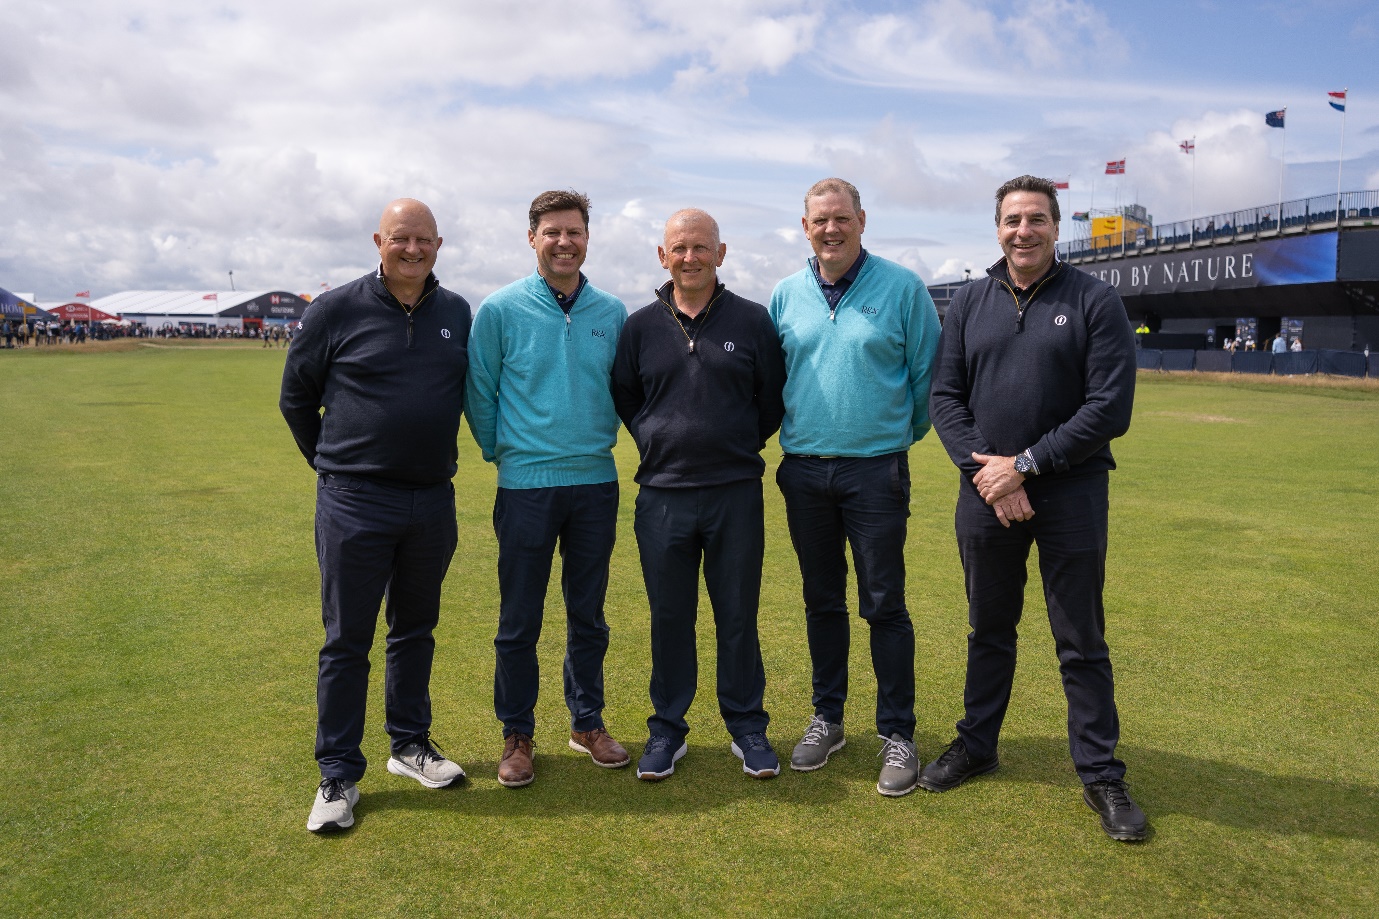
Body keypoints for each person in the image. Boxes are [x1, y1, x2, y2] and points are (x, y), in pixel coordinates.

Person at [926, 175, 1148, 842]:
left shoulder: (1093, 299)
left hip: (1069, 491)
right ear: (996, 228)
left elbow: (1109, 409)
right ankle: (976, 743)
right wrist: (989, 471)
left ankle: (1100, 771)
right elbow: (944, 397)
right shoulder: (968, 300)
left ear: (1056, 227)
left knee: (1079, 638)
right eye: (1011, 219)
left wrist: (1024, 464)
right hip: (983, 491)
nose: (1023, 230)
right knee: (986, 628)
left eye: (1036, 219)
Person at [280, 198, 473, 833]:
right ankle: (336, 773)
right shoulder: (335, 308)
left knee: (415, 628)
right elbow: (296, 398)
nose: (412, 249)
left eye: (423, 240)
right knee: (347, 639)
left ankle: (409, 745)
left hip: (430, 498)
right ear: (378, 241)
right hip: (354, 499)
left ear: (438, 245)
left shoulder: (455, 312)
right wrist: (334, 463)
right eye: (400, 239)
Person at [769, 177, 943, 797]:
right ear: (805, 225)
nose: (831, 229)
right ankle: (828, 718)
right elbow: (772, 381)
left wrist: (888, 439)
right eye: (820, 220)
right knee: (822, 601)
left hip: (875, 470)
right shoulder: (786, 294)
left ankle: (898, 732)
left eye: (841, 218)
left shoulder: (902, 288)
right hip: (805, 470)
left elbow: (929, 383)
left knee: (883, 604)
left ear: (862, 220)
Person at [612, 209, 787, 781]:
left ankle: (747, 727)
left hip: (734, 493)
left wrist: (731, 444)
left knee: (738, 616)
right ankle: (666, 730)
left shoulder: (753, 320)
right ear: (663, 256)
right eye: (679, 248)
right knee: (670, 617)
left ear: (722, 252)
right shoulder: (639, 327)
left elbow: (770, 400)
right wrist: (657, 439)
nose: (691, 257)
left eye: (701, 247)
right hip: (662, 496)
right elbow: (626, 397)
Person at [466, 189, 630, 788]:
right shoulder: (501, 309)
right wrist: (504, 453)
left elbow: (626, 391)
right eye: (553, 232)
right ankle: (517, 733)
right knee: (519, 620)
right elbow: (479, 394)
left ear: (588, 238)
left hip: (595, 482)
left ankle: (587, 722)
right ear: (532, 237)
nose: (565, 242)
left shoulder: (611, 312)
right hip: (527, 487)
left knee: (588, 615)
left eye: (576, 232)